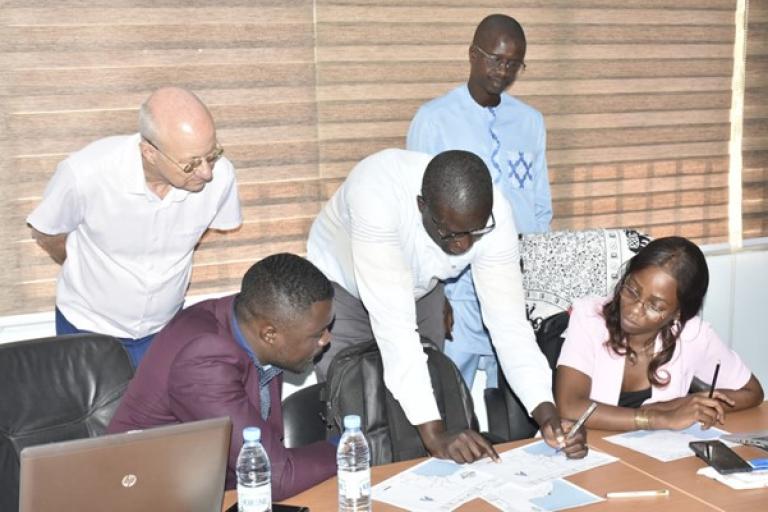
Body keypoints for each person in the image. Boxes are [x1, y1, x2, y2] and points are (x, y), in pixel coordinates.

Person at [307, 148, 586, 463]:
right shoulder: (376, 195)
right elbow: (396, 331)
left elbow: (509, 325)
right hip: (343, 288)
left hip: (421, 287)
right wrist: (435, 435)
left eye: (474, 232)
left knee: (428, 399)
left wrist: (547, 412)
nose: (464, 246)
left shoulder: (496, 215)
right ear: (421, 206)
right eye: (452, 234)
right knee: (358, 410)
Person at [26, 87, 242, 367]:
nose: (207, 172)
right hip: (87, 327)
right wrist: (89, 268)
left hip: (166, 328)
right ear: (149, 153)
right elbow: (46, 231)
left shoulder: (221, 176)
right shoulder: (86, 173)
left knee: (163, 411)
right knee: (98, 413)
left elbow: (202, 231)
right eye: (191, 164)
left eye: (211, 154)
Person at [108, 253, 336, 499]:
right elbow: (269, 477)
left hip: (204, 484)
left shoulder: (254, 321)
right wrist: (345, 447)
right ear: (269, 334)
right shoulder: (204, 359)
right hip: (148, 495)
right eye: (317, 334)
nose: (327, 339)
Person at [407, 14, 551, 390]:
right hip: (458, 287)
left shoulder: (530, 122)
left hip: (515, 286)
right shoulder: (433, 119)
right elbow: (417, 214)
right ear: (473, 54)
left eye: (513, 63)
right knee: (452, 399)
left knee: (518, 398)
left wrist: (537, 280)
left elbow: (540, 207)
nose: (504, 71)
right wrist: (436, 294)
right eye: (496, 59)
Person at [555, 236, 764, 431]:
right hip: (590, 453)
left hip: (656, 461)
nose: (633, 310)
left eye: (655, 306)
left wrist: (689, 406)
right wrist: (656, 418)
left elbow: (752, 392)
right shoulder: (589, 318)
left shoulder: (692, 333)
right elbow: (571, 406)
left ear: (678, 313)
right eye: (631, 290)